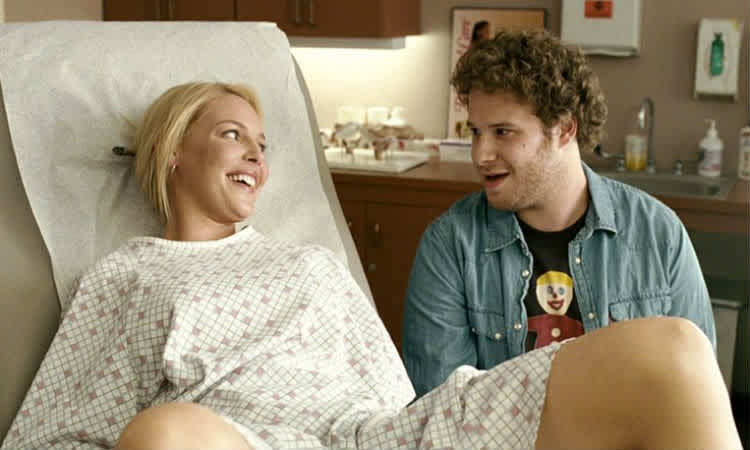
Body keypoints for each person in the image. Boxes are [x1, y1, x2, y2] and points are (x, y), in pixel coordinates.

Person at [2, 82, 740, 450]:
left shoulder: (311, 264)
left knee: (672, 347)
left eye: (264, 143)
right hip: (245, 441)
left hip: (380, 435)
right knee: (163, 434)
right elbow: (54, 438)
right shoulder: (129, 277)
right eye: (234, 136)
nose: (259, 156)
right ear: (171, 153)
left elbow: (396, 397)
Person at [402, 28, 717, 398]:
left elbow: (699, 393)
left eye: (502, 132)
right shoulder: (452, 245)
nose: (480, 154)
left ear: (564, 129)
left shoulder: (657, 233)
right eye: (475, 132)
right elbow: (441, 412)